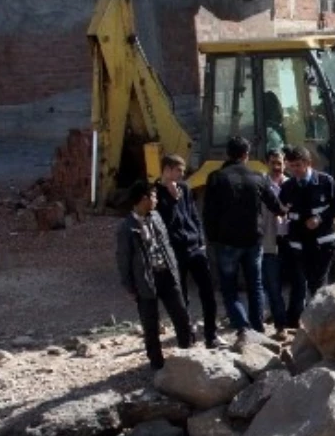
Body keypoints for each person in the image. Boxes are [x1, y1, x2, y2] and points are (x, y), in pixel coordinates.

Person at [202, 136, 283, 340]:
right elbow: (274, 204)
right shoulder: (257, 177)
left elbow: (209, 213)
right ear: (246, 155)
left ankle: (242, 327)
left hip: (226, 242)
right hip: (253, 241)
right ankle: (258, 328)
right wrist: (284, 211)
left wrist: (212, 239)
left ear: (227, 154)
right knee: (255, 284)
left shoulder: (216, 178)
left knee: (229, 287)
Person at [116, 181, 192, 370]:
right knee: (151, 325)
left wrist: (174, 269)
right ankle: (156, 365)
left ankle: (188, 355)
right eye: (154, 196)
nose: (156, 200)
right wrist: (130, 287)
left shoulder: (156, 217)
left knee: (181, 315)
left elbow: (166, 245)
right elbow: (123, 259)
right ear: (144, 199)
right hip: (145, 280)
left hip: (166, 274)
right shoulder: (127, 228)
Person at [152, 153, 225, 349]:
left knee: (208, 292)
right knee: (181, 295)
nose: (181, 176)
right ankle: (187, 335)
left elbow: (193, 214)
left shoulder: (184, 188)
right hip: (175, 251)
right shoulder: (155, 193)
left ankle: (211, 335)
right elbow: (166, 222)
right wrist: (174, 200)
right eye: (179, 171)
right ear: (167, 170)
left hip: (194, 248)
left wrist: (200, 239)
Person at [280, 146, 335, 323]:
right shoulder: (288, 186)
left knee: (318, 283)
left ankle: (322, 321)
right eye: (291, 166)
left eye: (298, 165)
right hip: (299, 244)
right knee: (298, 282)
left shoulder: (325, 182)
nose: (294, 170)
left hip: (323, 243)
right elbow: (282, 208)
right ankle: (295, 321)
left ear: (308, 163)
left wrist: (319, 218)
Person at [261, 148, 290, 336]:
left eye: (279, 163)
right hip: (269, 241)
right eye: (273, 163)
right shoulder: (261, 185)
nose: (277, 167)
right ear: (267, 163)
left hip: (290, 241)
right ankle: (280, 325)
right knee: (272, 283)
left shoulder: (291, 184)